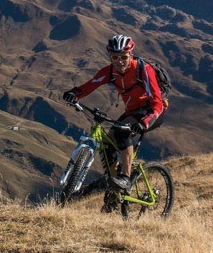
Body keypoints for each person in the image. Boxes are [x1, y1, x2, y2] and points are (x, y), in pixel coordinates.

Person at [62, 35, 165, 190]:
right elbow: (90, 85)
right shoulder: (110, 71)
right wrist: (74, 94)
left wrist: (144, 122)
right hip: (132, 113)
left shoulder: (143, 70)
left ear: (131, 54)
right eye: (115, 57)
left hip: (151, 112)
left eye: (124, 57)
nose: (120, 61)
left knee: (121, 133)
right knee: (107, 143)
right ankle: (112, 184)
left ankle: (125, 177)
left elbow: (157, 103)